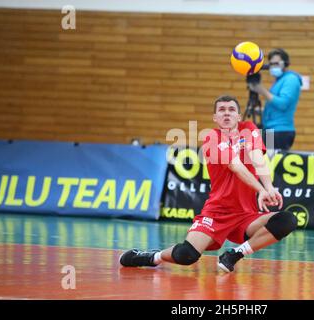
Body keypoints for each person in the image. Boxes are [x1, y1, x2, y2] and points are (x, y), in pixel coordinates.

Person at [119, 95, 297, 272]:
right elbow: (235, 166)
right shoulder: (212, 138)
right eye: (221, 110)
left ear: (239, 116)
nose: (226, 113)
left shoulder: (249, 129)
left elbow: (258, 158)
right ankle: (152, 257)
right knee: (186, 254)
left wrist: (269, 188)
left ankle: (233, 255)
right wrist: (260, 189)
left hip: (246, 215)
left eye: (231, 110)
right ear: (215, 117)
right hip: (217, 213)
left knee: (286, 220)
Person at [248, 48, 302, 151]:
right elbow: (275, 107)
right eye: (271, 64)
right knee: (266, 163)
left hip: (280, 131)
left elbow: (283, 104)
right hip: (271, 130)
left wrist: (261, 90)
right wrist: (261, 111)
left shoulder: (291, 79)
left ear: (285, 64)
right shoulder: (279, 81)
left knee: (270, 162)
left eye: (276, 63)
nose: (273, 67)